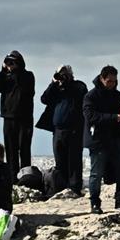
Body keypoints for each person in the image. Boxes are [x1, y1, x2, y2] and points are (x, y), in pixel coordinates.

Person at [83, 65, 120, 214]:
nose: (112, 83)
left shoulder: (116, 94)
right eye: (109, 81)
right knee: (96, 172)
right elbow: (91, 117)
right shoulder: (90, 96)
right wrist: (114, 117)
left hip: (116, 136)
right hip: (98, 139)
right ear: (101, 79)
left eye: (114, 81)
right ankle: (94, 203)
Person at [37, 65, 88, 197]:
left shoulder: (78, 86)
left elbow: (81, 94)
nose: (62, 77)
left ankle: (75, 188)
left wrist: (67, 82)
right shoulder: (56, 90)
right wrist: (53, 83)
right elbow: (44, 99)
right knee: (60, 161)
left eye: (64, 74)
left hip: (74, 130)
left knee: (74, 161)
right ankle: (62, 187)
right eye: (59, 74)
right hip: (58, 131)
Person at [0, 51, 35, 177]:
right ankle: (12, 178)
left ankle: (26, 176)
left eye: (13, 62)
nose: (10, 65)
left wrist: (15, 70)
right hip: (9, 117)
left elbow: (26, 87)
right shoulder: (5, 77)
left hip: (25, 118)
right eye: (9, 62)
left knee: (24, 148)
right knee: (10, 150)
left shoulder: (27, 76)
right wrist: (3, 70)